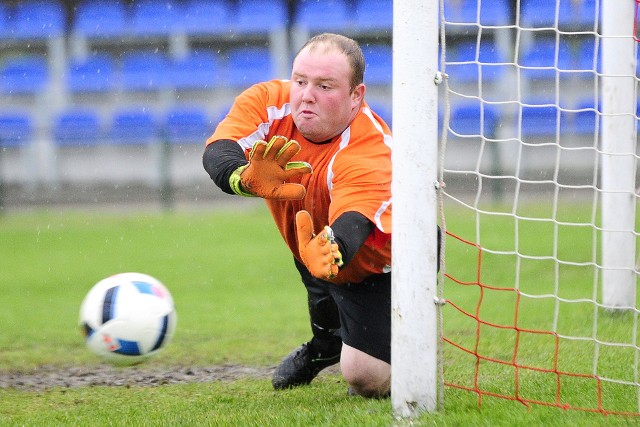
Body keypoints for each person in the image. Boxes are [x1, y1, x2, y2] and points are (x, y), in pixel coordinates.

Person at [202, 33, 392, 398]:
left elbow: (353, 226)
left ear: (357, 96)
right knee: (321, 301)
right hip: (309, 247)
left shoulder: (368, 149)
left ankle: (399, 340)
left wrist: (331, 248)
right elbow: (218, 151)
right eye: (301, 81)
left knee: (364, 378)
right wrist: (243, 178)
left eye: (325, 86)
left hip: (379, 264)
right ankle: (325, 348)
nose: (306, 94)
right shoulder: (269, 101)